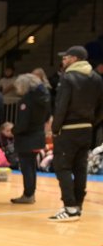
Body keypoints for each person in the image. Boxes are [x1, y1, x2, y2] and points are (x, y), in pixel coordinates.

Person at [48, 45, 103, 221]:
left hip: (68, 129)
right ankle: (77, 205)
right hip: (87, 128)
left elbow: (61, 105)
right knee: (80, 168)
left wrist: (55, 128)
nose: (63, 60)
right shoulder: (96, 78)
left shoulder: (68, 77)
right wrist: (92, 122)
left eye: (66, 57)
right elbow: (101, 106)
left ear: (75, 59)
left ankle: (70, 208)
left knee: (62, 166)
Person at [9, 72, 51, 204]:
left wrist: (13, 130)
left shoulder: (27, 101)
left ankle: (28, 194)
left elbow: (23, 124)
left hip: (27, 139)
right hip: (38, 136)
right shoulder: (43, 98)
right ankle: (30, 193)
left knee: (26, 168)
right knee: (32, 167)